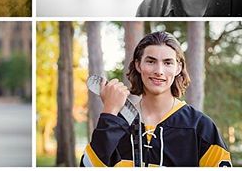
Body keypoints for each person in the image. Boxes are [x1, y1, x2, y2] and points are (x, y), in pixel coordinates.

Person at [82, 31, 231, 167]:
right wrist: (110, 111)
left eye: (167, 63)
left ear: (178, 68)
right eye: (151, 61)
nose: (159, 71)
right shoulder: (116, 124)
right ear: (138, 65)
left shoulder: (200, 127)